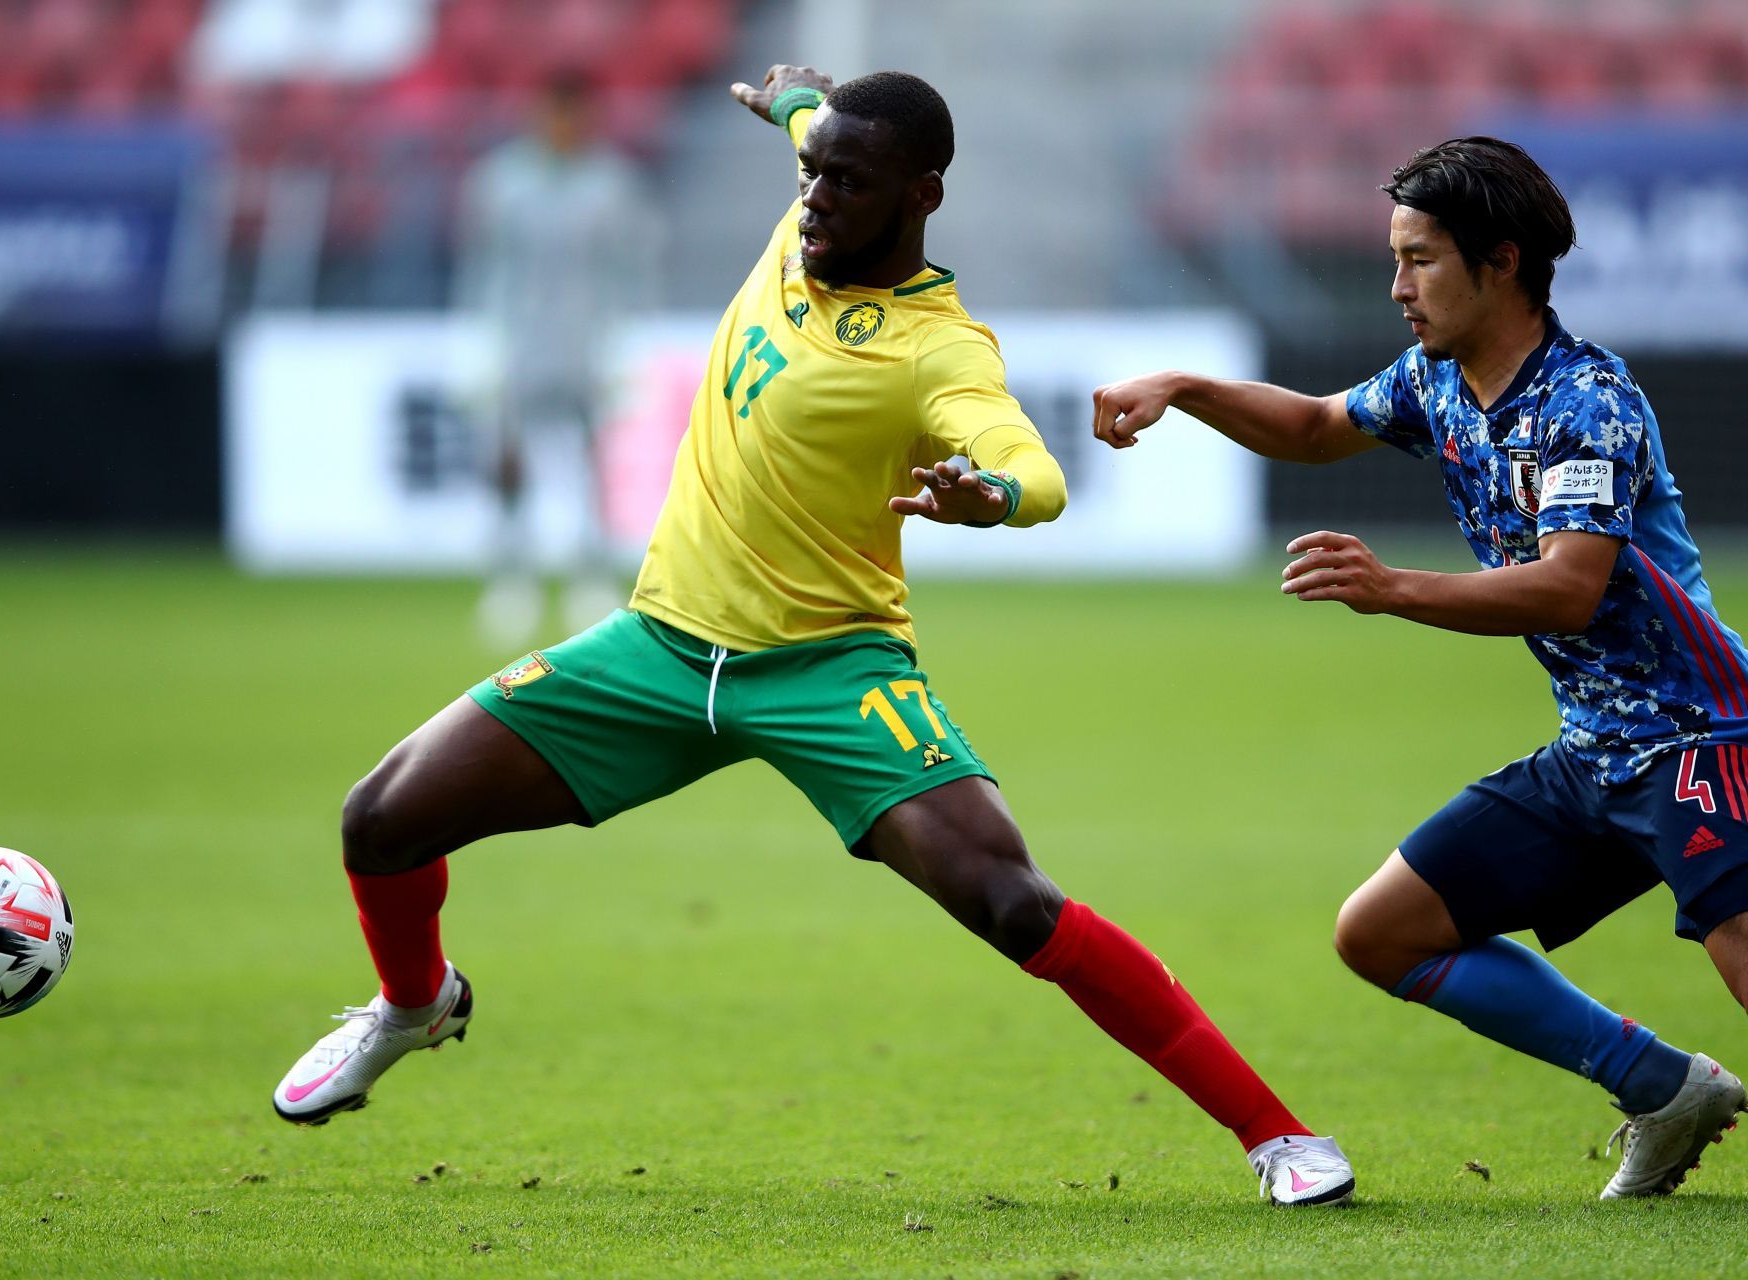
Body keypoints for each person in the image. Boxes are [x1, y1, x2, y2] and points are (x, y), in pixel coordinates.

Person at [273, 64, 1355, 1207]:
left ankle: (1276, 1133)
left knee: (1011, 899)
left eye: (847, 180)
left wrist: (992, 496)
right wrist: (793, 98)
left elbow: (1033, 469)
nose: (816, 196)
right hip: (660, 647)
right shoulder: (809, 209)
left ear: (921, 195)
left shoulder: (939, 346)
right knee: (380, 818)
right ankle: (413, 1003)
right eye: (810, 172)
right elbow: (810, 117)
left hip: (831, 668)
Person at [1092, 136, 1748, 1200]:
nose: (1397, 288)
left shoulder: (1587, 401)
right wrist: (1184, 384)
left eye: (1421, 260)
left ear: (1501, 262)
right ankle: (1661, 1085)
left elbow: (1568, 585)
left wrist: (1392, 586)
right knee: (1382, 931)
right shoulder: (1436, 381)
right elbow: (1313, 427)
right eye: (1394, 260)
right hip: (1595, 751)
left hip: (1698, 734)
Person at [458, 71, 652, 645]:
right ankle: (511, 577)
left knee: (593, 460)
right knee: (510, 459)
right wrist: (478, 339)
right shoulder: (500, 182)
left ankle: (591, 574)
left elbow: (630, 268)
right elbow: (483, 265)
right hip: (519, 339)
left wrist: (625, 342)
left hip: (586, 340)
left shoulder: (612, 184)